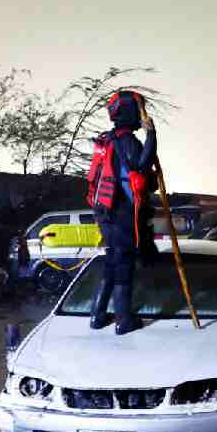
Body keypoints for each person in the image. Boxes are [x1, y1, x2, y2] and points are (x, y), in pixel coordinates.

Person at [86, 90, 158, 335]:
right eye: (138, 110)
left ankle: (97, 316)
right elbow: (140, 165)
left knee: (112, 261)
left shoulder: (106, 139)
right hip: (120, 213)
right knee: (123, 264)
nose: (141, 115)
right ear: (129, 112)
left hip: (104, 212)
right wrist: (152, 135)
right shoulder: (126, 140)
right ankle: (123, 321)